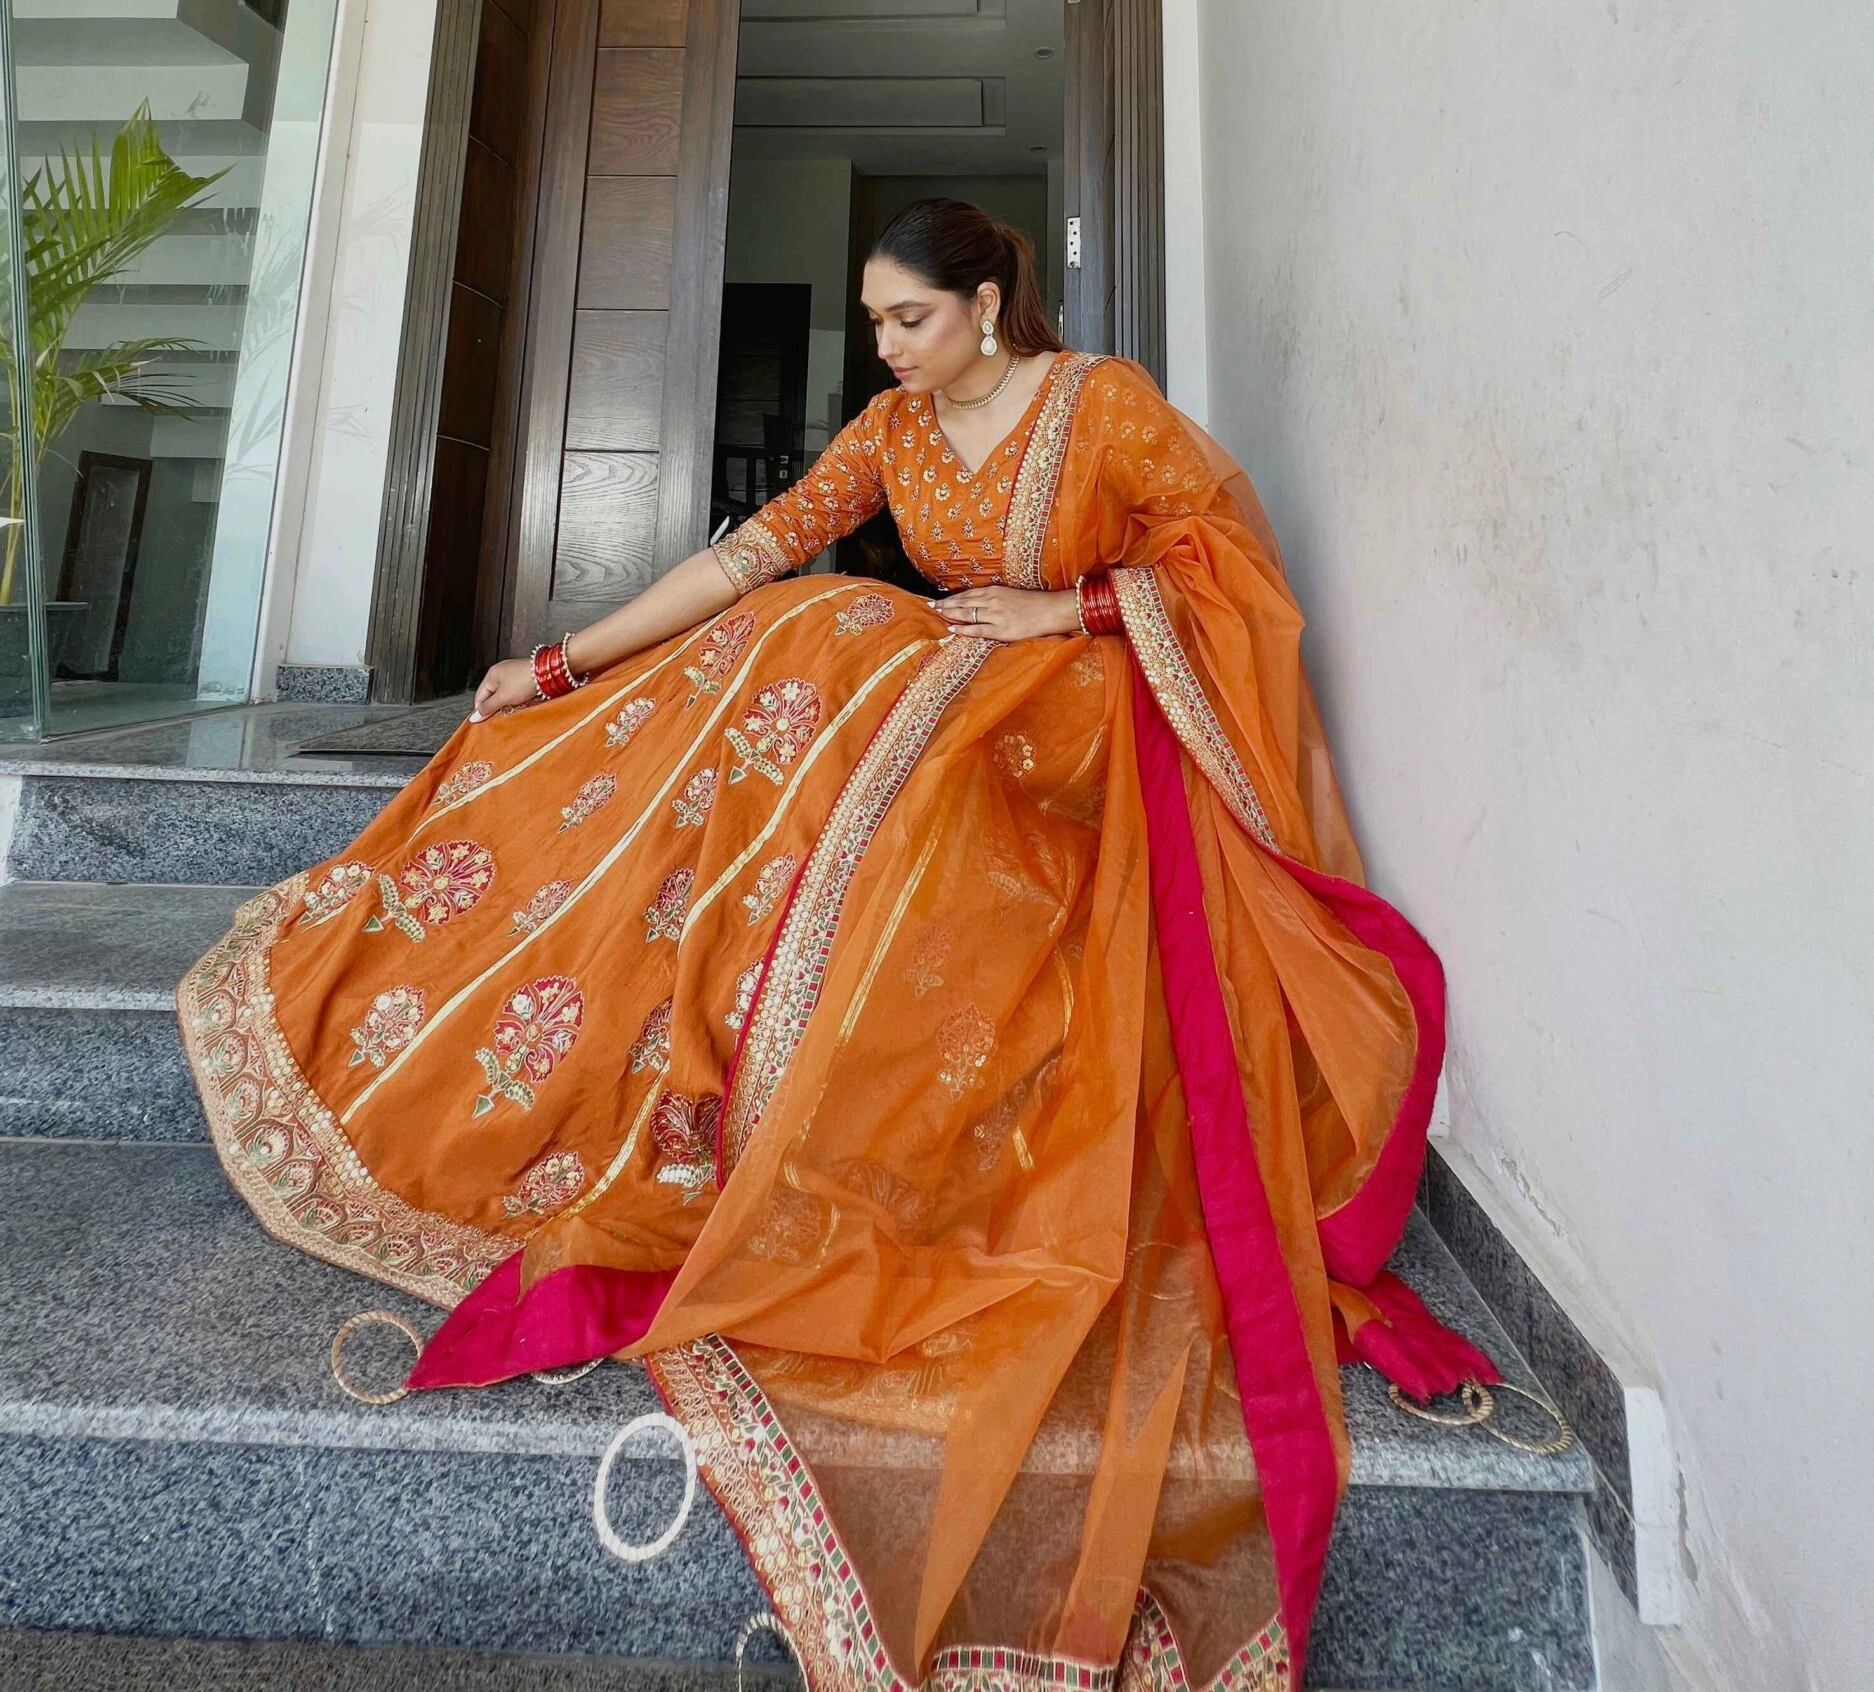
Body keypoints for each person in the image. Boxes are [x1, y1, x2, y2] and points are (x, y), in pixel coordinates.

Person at [181, 198, 1485, 1690]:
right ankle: (702, 1029)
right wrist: (562, 660)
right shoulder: (894, 430)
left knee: (837, 637)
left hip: (1083, 723)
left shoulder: (1100, 405)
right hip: (947, 703)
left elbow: (1229, 568)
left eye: (908, 318)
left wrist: (1063, 610)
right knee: (799, 623)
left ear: (985, 304)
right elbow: (753, 555)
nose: (886, 346)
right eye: (874, 321)